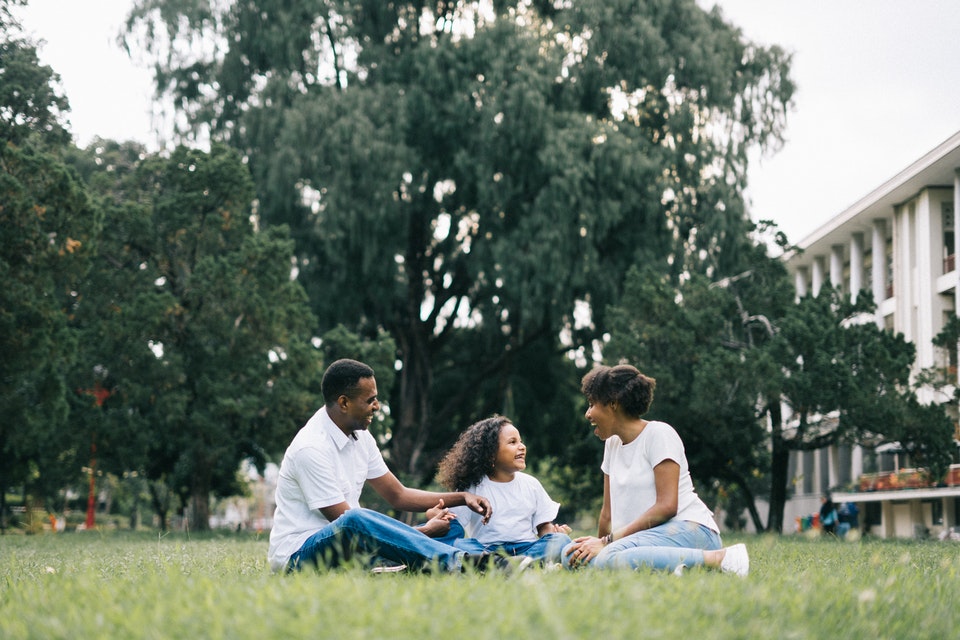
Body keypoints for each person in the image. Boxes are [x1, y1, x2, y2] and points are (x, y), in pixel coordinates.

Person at [267, 358, 508, 574]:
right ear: (343, 403)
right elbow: (349, 527)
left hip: (352, 547)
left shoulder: (361, 437)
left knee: (450, 528)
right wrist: (422, 533)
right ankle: (460, 561)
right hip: (299, 555)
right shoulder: (311, 448)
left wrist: (462, 497)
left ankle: (495, 558)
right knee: (355, 519)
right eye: (370, 400)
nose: (377, 406)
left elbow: (399, 495)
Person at [562, 363, 749, 576]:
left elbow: (667, 506)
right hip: (641, 539)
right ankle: (675, 567)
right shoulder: (612, 445)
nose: (587, 414)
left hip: (689, 530)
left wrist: (607, 543)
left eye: (591, 404)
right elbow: (607, 514)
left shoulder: (659, 434)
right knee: (570, 556)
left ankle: (720, 558)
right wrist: (595, 546)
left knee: (609, 557)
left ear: (613, 403)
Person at [433, 415, 573, 564]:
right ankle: (507, 564)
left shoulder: (531, 484)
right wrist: (437, 515)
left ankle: (519, 564)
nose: (522, 446)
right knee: (461, 545)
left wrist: (552, 535)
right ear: (490, 454)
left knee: (561, 540)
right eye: (513, 442)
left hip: (527, 547)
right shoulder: (472, 487)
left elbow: (543, 526)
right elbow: (454, 525)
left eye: (521, 441)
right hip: (487, 551)